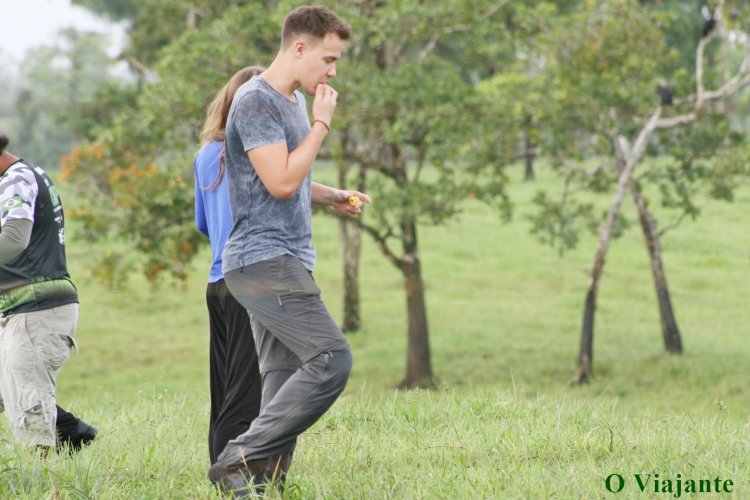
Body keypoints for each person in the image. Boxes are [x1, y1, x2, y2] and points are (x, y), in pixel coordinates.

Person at [208, 5, 370, 494]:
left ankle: (263, 482)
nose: (332, 71)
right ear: (299, 47)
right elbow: (279, 182)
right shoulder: (256, 101)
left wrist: (330, 195)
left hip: (284, 258)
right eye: (328, 58)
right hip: (262, 259)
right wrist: (321, 127)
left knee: (282, 377)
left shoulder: (291, 102)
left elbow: (285, 176)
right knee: (330, 358)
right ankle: (235, 459)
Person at [0, 133, 97, 454]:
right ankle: (71, 432)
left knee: (30, 409)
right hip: (25, 308)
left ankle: (45, 479)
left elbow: (13, 238)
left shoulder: (16, 180)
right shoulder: (22, 176)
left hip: (34, 309)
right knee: (17, 394)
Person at [194, 65, 265, 465]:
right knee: (247, 389)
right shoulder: (254, 152)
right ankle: (235, 473)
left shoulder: (206, 155)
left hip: (217, 283)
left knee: (223, 387)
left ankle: (218, 464)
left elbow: (203, 223)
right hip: (250, 280)